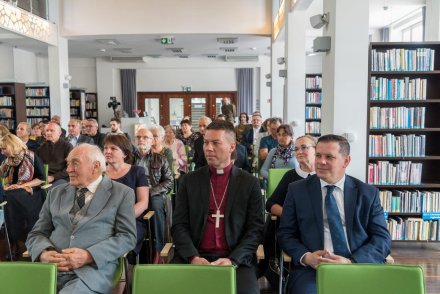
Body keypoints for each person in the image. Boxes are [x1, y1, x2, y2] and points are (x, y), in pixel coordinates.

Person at [277, 134, 391, 294]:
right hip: (313, 269)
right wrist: (306, 257)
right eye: (318, 155)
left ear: (346, 161)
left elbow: (382, 239)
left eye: (329, 157)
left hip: (359, 265)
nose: (321, 162)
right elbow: (285, 234)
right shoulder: (297, 190)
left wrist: (351, 262)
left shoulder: (367, 193)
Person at [26, 144, 137, 294]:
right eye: (68, 164)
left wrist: (89, 256)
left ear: (96, 166)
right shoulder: (55, 193)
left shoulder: (122, 194)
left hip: (90, 272)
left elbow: (127, 237)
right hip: (49, 270)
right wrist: (43, 254)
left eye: (75, 163)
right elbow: (36, 233)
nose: (68, 169)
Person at [171, 120, 264, 294]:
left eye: (215, 143)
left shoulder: (249, 183)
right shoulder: (189, 181)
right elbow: (179, 225)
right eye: (206, 142)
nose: (208, 148)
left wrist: (233, 260)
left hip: (236, 259)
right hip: (194, 256)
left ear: (231, 146)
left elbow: (256, 229)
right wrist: (193, 257)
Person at [104, 135, 149, 260]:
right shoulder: (99, 174)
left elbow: (143, 202)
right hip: (103, 220)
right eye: (105, 148)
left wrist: (122, 218)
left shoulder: (137, 171)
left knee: (123, 245)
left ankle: (125, 273)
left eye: (113, 148)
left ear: (124, 153)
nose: (107, 151)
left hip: (130, 220)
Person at [0, 134, 45, 258]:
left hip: (31, 191)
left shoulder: (30, 156)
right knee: (7, 197)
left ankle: (15, 241)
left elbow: (41, 179)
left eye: (4, 148)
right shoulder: (8, 160)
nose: (2, 151)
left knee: (8, 198)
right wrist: (6, 186)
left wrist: (21, 186)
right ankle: (13, 240)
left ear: (13, 146)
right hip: (12, 191)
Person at [134, 126, 173, 263]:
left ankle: (157, 250)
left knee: (156, 208)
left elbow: (169, 181)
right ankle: (133, 250)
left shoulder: (160, 159)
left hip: (153, 193)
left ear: (152, 141)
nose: (141, 140)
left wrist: (150, 192)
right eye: (138, 137)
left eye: (145, 137)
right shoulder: (130, 159)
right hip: (134, 194)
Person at [266, 135, 317, 217]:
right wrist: (291, 216)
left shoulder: (324, 176)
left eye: (304, 147)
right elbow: (270, 204)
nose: (299, 152)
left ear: (316, 149)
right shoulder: (290, 176)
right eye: (296, 149)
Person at [37, 122, 73, 187]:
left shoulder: (67, 146)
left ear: (59, 133)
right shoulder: (41, 148)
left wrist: (53, 177)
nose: (48, 133)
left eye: (51, 130)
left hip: (61, 178)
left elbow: (70, 167)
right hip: (44, 177)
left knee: (53, 189)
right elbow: (38, 166)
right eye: (47, 131)